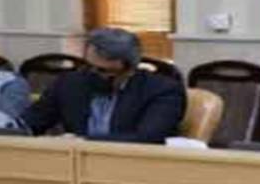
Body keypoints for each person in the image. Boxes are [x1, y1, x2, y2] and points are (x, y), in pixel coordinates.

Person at [21, 27, 185, 143]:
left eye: (103, 70)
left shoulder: (162, 90)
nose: (92, 74)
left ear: (130, 70)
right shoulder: (69, 83)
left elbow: (148, 138)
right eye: (89, 66)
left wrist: (82, 141)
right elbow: (31, 122)